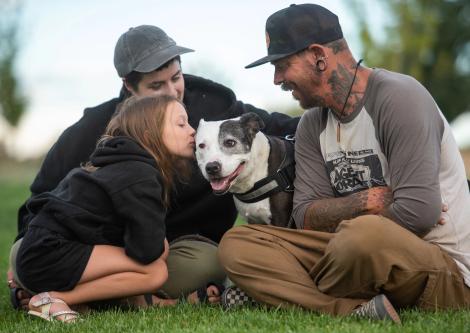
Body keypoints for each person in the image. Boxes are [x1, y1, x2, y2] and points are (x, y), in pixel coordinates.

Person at [7, 25, 299, 310]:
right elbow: (42, 196)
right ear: (129, 87)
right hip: (95, 248)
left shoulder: (215, 109)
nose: (172, 92)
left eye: (176, 77)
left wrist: (323, 122)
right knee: (23, 253)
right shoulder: (96, 129)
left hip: (177, 248)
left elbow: (277, 127)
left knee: (213, 261)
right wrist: (24, 246)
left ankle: (78, 294)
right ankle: (120, 294)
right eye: (157, 86)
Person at [218, 3, 470, 324]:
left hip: (441, 266)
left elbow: (418, 212)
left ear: (318, 56)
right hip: (349, 250)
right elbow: (305, 216)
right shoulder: (311, 124)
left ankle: (285, 289)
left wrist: (348, 224)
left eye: (282, 65)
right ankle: (351, 310)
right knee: (238, 245)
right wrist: (367, 200)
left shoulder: (399, 97)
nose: (277, 79)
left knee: (361, 236)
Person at [11, 95, 226, 323]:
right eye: (181, 124)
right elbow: (148, 251)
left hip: (39, 252)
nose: (192, 131)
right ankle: (54, 298)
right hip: (49, 254)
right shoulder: (140, 174)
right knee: (154, 272)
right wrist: (158, 245)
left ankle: (69, 300)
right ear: (149, 134)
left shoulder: (122, 164)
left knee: (153, 263)